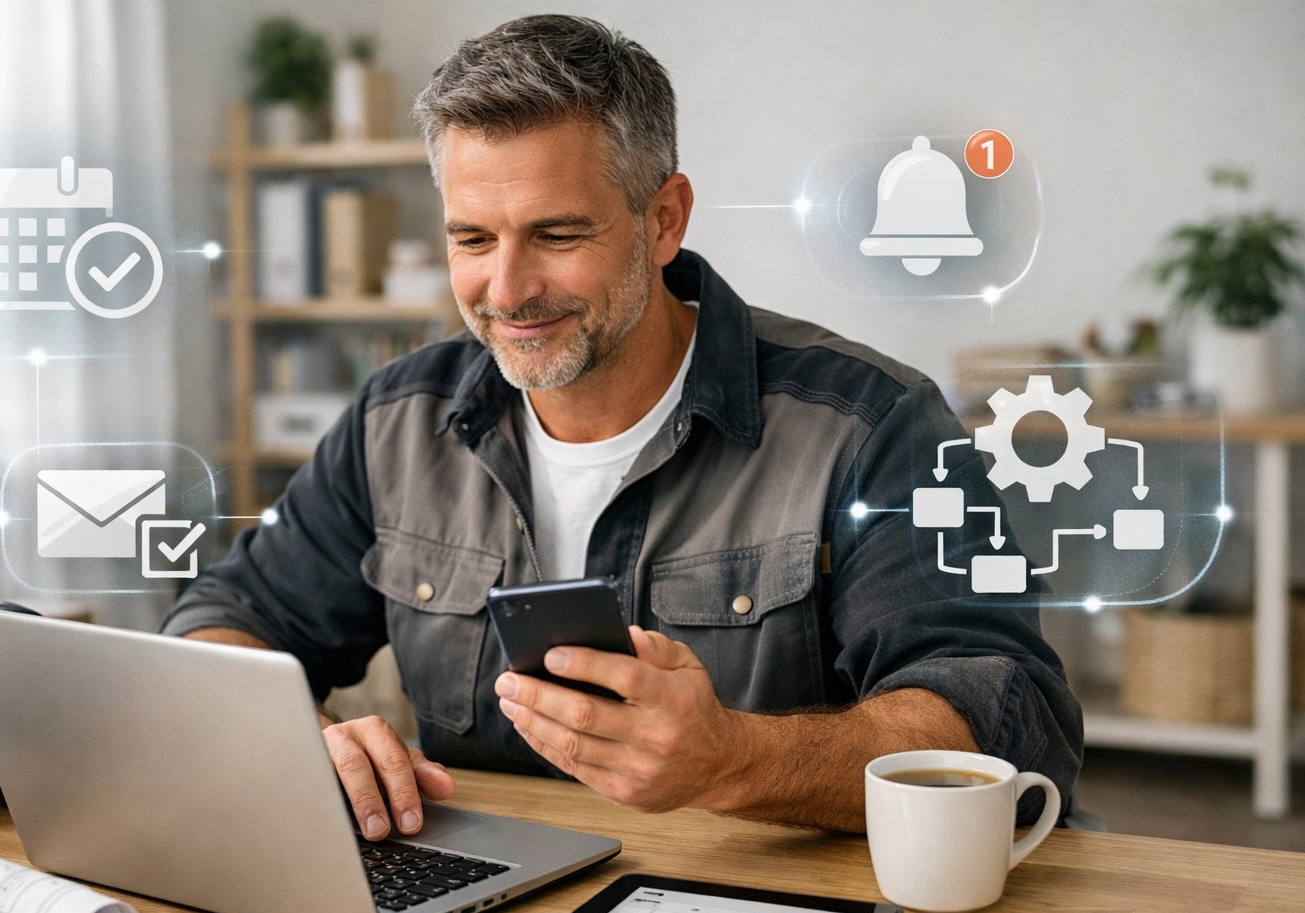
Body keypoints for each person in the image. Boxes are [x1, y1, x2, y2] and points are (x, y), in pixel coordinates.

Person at [163, 14, 1081, 838]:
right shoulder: (396, 419)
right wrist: (301, 739)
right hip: (479, 911)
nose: (508, 291)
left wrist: (736, 759)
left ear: (663, 219)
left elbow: (1003, 716)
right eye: (473, 240)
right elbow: (224, 619)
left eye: (558, 237)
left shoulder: (871, 424)